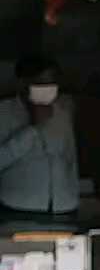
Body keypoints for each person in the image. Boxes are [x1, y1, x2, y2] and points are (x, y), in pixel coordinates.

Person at [0, 55, 78, 222]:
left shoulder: (62, 112)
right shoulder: (4, 114)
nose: (48, 88)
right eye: (41, 83)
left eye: (52, 83)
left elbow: (69, 158)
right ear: (22, 83)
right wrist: (32, 128)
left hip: (63, 207)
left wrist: (72, 196)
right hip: (18, 207)